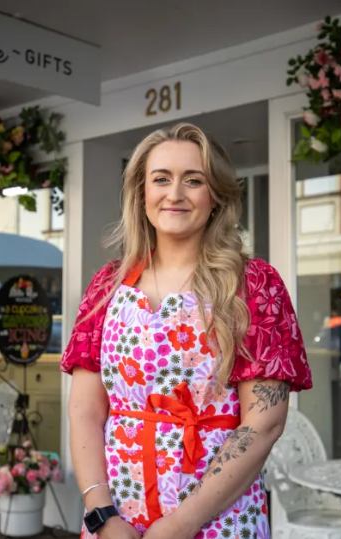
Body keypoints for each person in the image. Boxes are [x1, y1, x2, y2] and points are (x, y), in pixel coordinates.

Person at [61, 123, 312, 539]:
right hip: (117, 522)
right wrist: (101, 514)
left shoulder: (253, 284)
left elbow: (263, 423)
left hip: (216, 521)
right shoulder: (107, 287)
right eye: (161, 179)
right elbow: (85, 411)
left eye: (193, 180)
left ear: (215, 196)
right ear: (142, 195)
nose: (174, 193)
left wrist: (181, 523)